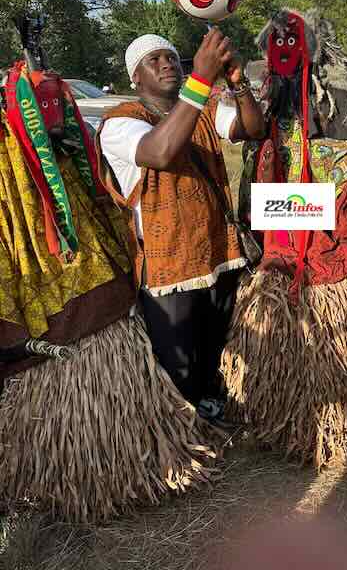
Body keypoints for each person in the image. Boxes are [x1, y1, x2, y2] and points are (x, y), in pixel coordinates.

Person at [0, 58, 222, 522]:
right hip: (64, 308)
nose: (56, 111)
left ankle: (156, 447)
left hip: (118, 294)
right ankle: (75, 478)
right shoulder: (116, 124)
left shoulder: (76, 151)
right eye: (44, 103)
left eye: (58, 100)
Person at [220, 9, 347, 470]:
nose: (285, 47)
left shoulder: (346, 86)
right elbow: (246, 136)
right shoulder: (265, 88)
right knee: (284, 304)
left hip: (333, 230)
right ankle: (287, 422)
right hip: (284, 228)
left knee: (336, 307)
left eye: (295, 40)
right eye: (278, 42)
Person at [97, 30, 265, 417]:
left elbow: (251, 129)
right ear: (135, 77)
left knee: (214, 347)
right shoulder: (120, 123)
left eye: (170, 57)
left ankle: (213, 409)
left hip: (218, 254)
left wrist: (237, 82)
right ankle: (184, 433)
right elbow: (161, 151)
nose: (166, 64)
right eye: (153, 61)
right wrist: (201, 80)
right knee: (179, 364)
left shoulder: (202, 111)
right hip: (169, 270)